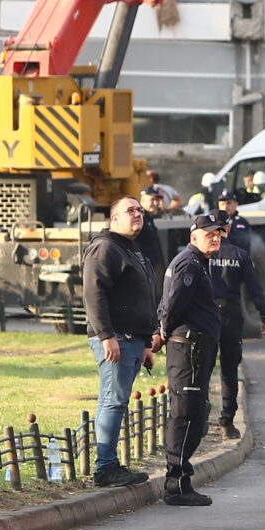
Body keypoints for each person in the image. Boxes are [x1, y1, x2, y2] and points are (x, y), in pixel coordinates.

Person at [82, 196, 157, 489]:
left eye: (140, 210)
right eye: (130, 210)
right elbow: (94, 294)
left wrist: (147, 342)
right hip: (116, 338)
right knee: (113, 401)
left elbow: (143, 296)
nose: (137, 214)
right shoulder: (105, 248)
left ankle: (109, 463)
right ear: (114, 218)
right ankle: (105, 468)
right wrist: (106, 336)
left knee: (114, 400)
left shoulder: (131, 248)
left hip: (133, 339)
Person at [155, 211, 224, 507]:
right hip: (189, 349)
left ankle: (181, 480)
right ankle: (176, 485)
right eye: (209, 234)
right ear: (193, 237)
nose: (215, 237)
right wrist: (163, 331)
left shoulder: (197, 263)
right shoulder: (189, 264)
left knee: (195, 411)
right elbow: (172, 304)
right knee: (186, 413)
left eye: (218, 233)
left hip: (196, 347)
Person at [203, 198, 265, 440]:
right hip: (230, 316)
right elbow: (255, 289)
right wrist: (264, 316)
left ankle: (200, 418)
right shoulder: (240, 255)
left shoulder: (201, 254)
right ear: (228, 228)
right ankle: (227, 421)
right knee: (229, 370)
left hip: (206, 316)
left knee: (203, 367)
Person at [134, 183, 171, 274]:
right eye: (152, 199)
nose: (155, 203)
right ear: (142, 200)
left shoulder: (148, 217)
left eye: (157, 200)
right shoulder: (139, 217)